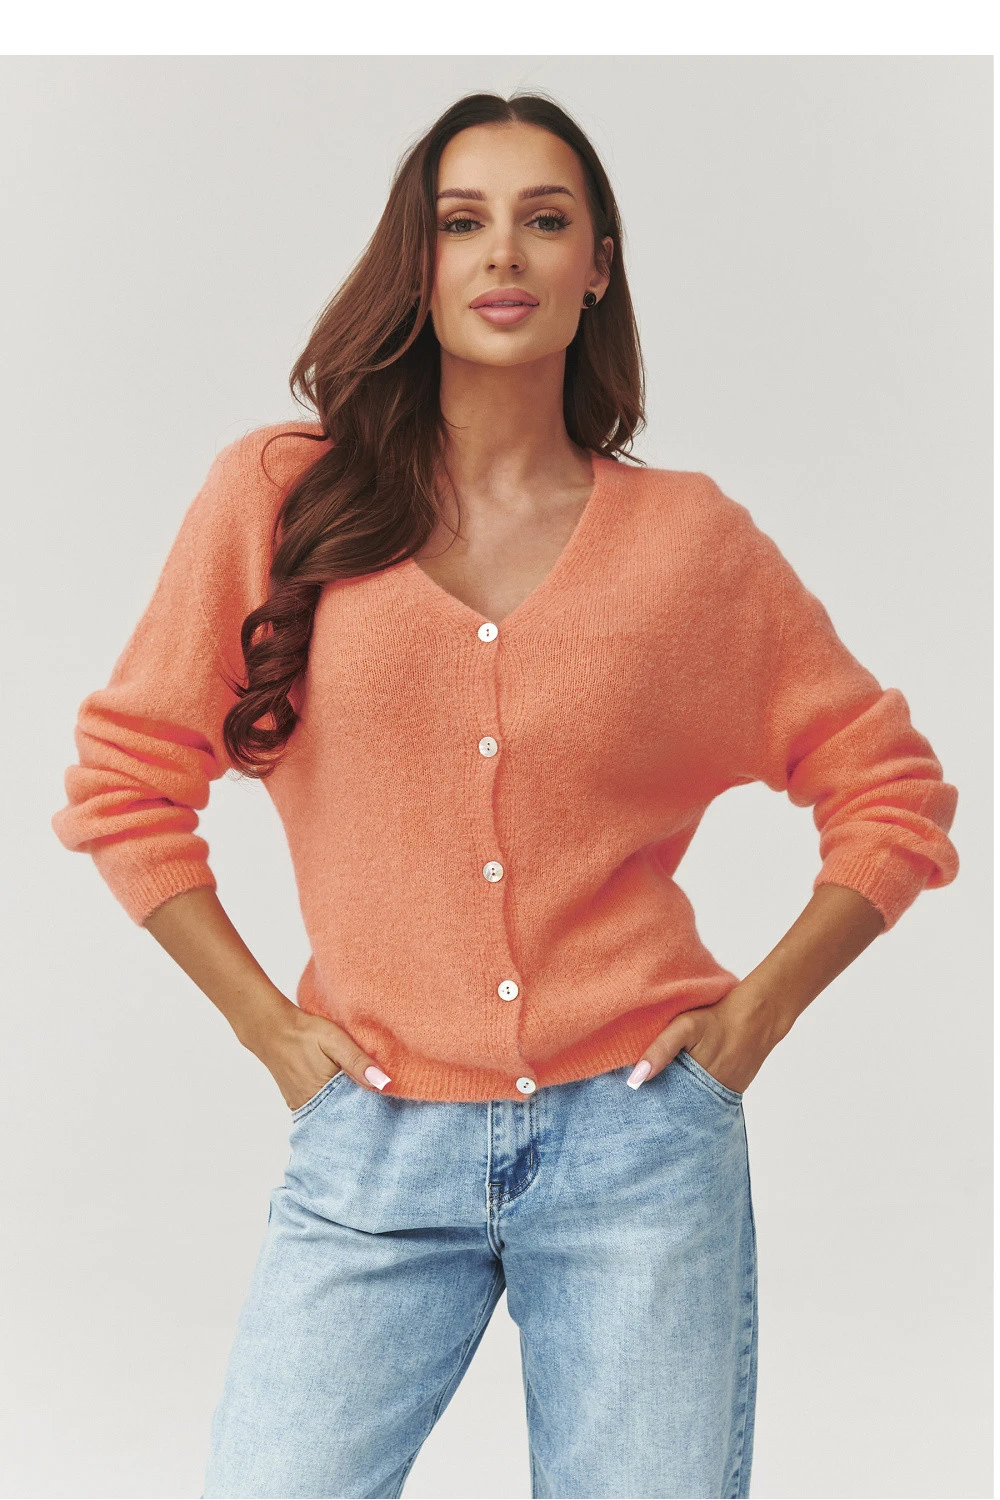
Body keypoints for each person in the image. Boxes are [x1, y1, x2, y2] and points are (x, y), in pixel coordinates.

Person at [51, 91, 960, 1500]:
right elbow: (126, 783)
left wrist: (751, 1024)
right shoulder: (282, 496)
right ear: (415, 261)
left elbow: (889, 791)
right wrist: (268, 1030)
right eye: (462, 222)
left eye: (545, 220)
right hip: (373, 1132)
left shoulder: (689, 543)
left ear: (598, 264)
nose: (503, 254)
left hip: (639, 1143)